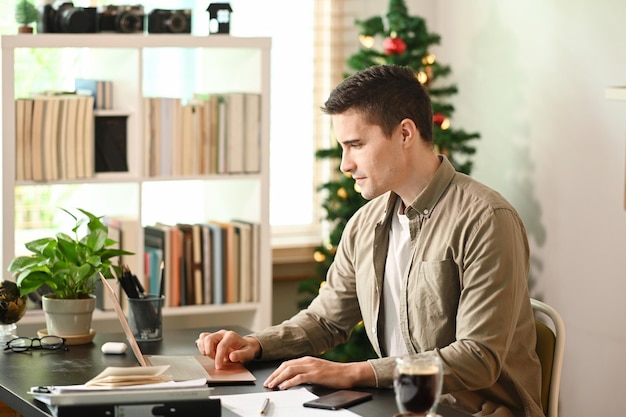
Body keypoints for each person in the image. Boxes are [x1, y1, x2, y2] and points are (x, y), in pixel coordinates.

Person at [196, 64, 544, 417]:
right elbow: (326, 321)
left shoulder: (485, 219)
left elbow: (477, 358)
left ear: (405, 133)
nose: (346, 164)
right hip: (397, 407)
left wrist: (353, 372)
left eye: (356, 145)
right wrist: (255, 345)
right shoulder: (366, 223)